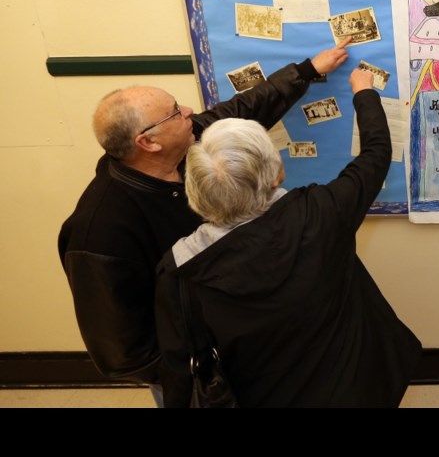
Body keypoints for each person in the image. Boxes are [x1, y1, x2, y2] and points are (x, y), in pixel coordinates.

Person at [57, 40, 351, 395]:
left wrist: (307, 71)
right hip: (205, 375)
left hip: (250, 344)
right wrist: (197, 368)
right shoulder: (99, 233)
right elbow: (122, 352)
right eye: (174, 112)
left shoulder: (186, 147)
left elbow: (243, 110)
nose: (189, 110)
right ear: (148, 142)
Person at [154, 69, 422, 407]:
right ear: (277, 172)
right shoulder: (321, 212)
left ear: (195, 190)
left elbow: (181, 360)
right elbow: (376, 154)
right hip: (355, 387)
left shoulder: (179, 273)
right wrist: (364, 92)